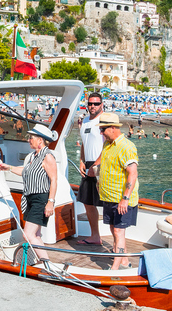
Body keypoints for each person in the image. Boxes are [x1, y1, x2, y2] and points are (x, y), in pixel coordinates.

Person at [0, 124, 58, 262]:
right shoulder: (32, 156)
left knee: (28, 235)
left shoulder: (47, 156)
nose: (28, 140)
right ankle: (43, 262)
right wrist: (9, 168)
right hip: (30, 198)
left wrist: (50, 202)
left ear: (40, 140)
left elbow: (54, 180)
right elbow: (24, 172)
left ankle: (46, 262)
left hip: (41, 199)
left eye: (31, 138)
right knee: (36, 234)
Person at [94, 113, 138, 271]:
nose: (101, 132)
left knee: (119, 231)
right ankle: (124, 261)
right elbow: (103, 160)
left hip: (122, 199)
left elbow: (133, 173)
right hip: (109, 196)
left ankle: (114, 268)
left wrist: (125, 199)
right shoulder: (108, 143)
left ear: (113, 128)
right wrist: (93, 168)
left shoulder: (126, 147)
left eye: (103, 129)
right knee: (114, 229)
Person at [76, 91, 104, 245]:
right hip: (87, 165)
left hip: (101, 164)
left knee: (108, 203)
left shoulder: (104, 120)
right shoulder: (85, 121)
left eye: (96, 103)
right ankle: (95, 236)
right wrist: (81, 160)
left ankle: (117, 242)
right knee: (88, 202)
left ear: (102, 104)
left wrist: (96, 164)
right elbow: (84, 143)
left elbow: (108, 145)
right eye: (90, 103)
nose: (92, 106)